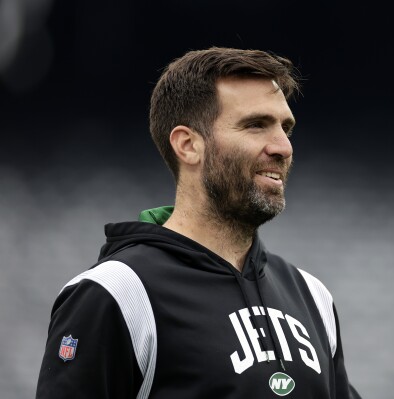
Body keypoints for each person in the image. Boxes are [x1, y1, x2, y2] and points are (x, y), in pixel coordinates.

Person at [35, 47, 362, 399]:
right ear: (188, 145)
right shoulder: (118, 294)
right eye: (256, 125)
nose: (283, 147)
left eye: (286, 128)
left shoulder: (313, 297)